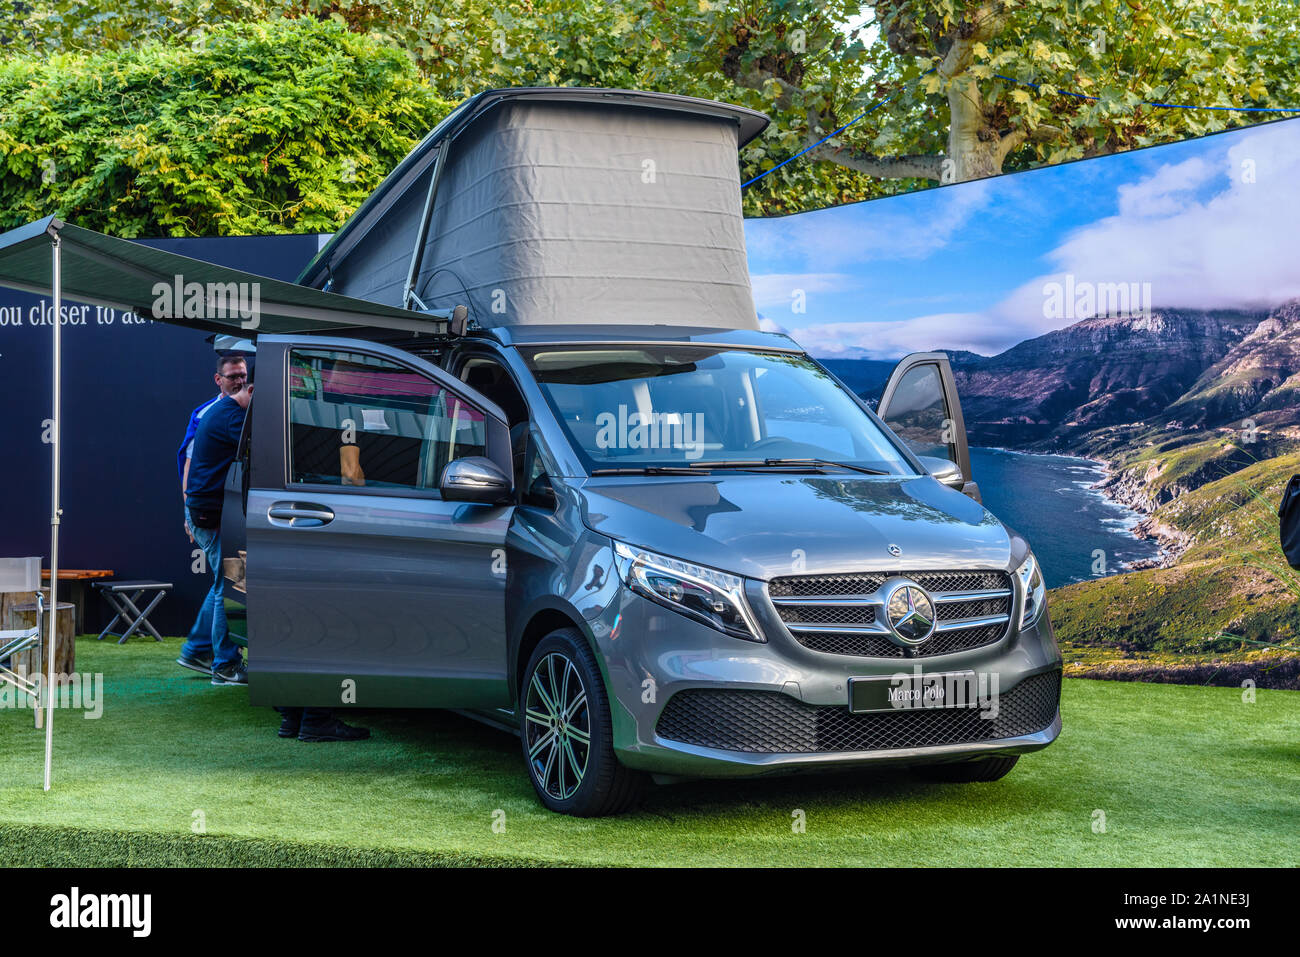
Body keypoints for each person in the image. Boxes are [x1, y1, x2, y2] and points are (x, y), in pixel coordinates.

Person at [179, 364, 252, 685]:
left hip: (208, 513)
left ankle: (197, 649)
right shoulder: (229, 416)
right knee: (230, 585)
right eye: (234, 376)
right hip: (209, 516)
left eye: (242, 375)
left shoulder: (223, 411)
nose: (239, 380)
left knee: (224, 584)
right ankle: (224, 663)